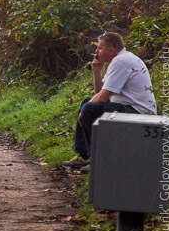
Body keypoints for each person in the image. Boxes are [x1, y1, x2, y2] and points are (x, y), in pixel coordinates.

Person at [63, 31, 156, 169]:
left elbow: (103, 96)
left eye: (100, 48)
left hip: (138, 112)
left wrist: (84, 111)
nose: (96, 51)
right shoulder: (119, 59)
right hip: (126, 107)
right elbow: (99, 93)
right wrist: (96, 71)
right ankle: (82, 155)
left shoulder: (121, 61)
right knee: (87, 102)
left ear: (111, 50)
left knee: (88, 108)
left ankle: (97, 159)